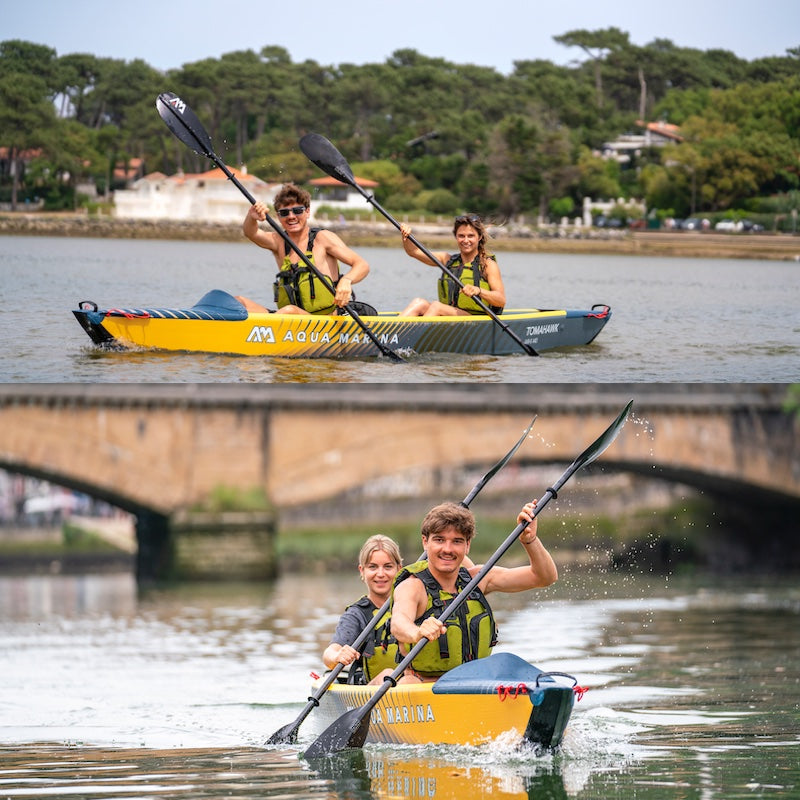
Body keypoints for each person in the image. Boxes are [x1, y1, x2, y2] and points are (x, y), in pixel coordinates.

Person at [390, 500, 557, 683]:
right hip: (424, 686)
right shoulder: (412, 586)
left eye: (457, 541)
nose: (447, 549)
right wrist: (417, 632)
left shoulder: (478, 578)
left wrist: (529, 540)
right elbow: (399, 623)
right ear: (425, 542)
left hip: (475, 684)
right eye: (439, 540)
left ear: (467, 545)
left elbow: (544, 577)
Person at [241, 183, 369, 315]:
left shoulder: (322, 238)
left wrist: (346, 281)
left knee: (290, 311)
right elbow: (251, 233)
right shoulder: (278, 242)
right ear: (278, 217)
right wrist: (252, 217)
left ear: (307, 212)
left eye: (297, 211)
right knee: (238, 302)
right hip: (289, 319)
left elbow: (361, 264)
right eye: (284, 213)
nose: (291, 216)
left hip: (326, 319)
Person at [322, 534, 404, 685]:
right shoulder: (356, 614)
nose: (381, 574)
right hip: (373, 690)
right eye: (373, 567)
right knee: (388, 674)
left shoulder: (413, 604)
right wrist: (338, 656)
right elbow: (329, 654)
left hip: (412, 685)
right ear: (362, 571)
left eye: (388, 566)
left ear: (399, 569)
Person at [398, 215, 506, 317]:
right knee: (419, 303)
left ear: (479, 237)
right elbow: (414, 251)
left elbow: (501, 300)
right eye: (461, 236)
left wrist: (478, 291)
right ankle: (393, 334)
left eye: (471, 236)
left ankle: (418, 336)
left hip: (475, 321)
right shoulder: (447, 260)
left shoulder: (488, 265)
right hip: (451, 316)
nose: (466, 240)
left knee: (436, 306)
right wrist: (406, 235)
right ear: (456, 237)